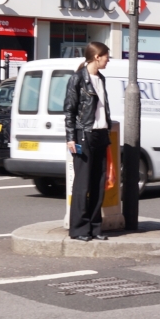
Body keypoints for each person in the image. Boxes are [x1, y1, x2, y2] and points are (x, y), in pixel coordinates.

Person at [63, 42, 113, 242]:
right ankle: (79, 229)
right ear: (97, 56)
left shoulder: (101, 79)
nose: (108, 60)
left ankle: (94, 227)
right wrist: (70, 138)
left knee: (98, 182)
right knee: (82, 184)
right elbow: (69, 110)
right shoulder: (77, 79)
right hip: (84, 134)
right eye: (106, 56)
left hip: (101, 134)